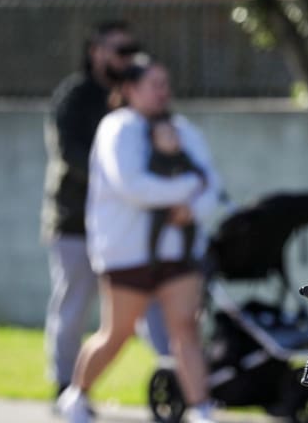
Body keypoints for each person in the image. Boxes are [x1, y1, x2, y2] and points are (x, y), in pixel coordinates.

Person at [56, 56, 223, 423]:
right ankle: (76, 395)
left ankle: (200, 408)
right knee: (117, 333)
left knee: (185, 328)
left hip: (177, 254)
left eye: (166, 84)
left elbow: (211, 185)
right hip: (126, 254)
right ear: (129, 90)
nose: (163, 92)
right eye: (154, 84)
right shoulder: (118, 128)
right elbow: (132, 185)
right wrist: (186, 192)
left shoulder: (184, 129)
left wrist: (192, 210)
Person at [41, 21, 139, 401]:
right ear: (95, 51)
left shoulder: (133, 96)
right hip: (75, 222)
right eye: (119, 50)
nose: (126, 59)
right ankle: (65, 386)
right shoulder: (74, 96)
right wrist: (117, 180)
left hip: (122, 226)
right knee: (73, 307)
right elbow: (68, 154)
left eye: (131, 51)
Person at [146, 114, 202, 267]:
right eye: (165, 135)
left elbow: (199, 175)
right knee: (156, 223)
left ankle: (188, 257)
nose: (171, 138)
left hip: (182, 206)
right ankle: (153, 258)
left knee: (191, 225)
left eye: (173, 134)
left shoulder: (182, 156)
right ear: (154, 140)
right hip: (162, 205)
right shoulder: (155, 159)